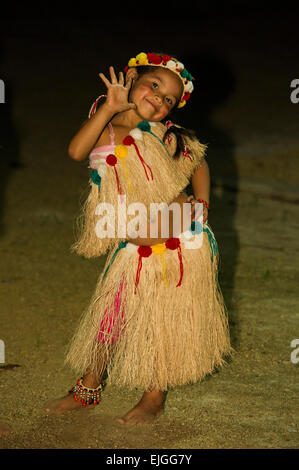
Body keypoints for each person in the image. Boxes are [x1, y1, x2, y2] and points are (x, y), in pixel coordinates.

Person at [44, 52, 231, 425]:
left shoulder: (167, 136)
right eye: (155, 86)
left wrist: (203, 202)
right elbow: (76, 150)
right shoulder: (107, 128)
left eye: (169, 100)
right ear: (131, 77)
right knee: (108, 322)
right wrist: (108, 107)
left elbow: (200, 162)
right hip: (134, 249)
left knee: (164, 324)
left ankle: (154, 397)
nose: (160, 100)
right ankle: (87, 388)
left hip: (182, 245)